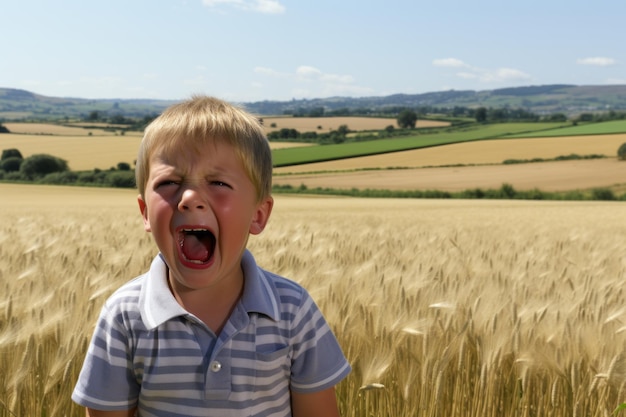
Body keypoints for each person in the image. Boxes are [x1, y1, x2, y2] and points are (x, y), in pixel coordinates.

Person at [71, 95, 351, 417]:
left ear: (258, 215)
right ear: (145, 213)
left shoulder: (292, 310)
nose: (189, 198)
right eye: (170, 182)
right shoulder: (124, 316)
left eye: (218, 182)